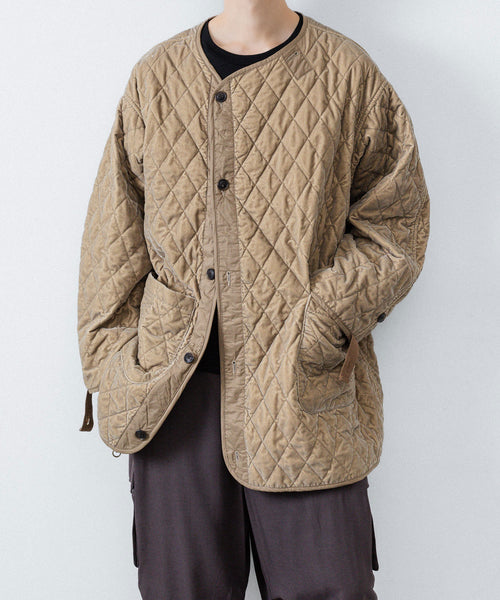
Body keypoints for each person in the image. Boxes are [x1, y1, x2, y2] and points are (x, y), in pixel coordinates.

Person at [77, 1, 431, 598]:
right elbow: (112, 241)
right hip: (173, 400)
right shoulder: (156, 75)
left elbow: (395, 224)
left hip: (302, 393)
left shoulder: (347, 72)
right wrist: (113, 371)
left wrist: (322, 323)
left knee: (329, 586)